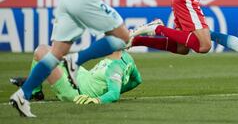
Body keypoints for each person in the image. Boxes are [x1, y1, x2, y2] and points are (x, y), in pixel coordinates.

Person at [10, 45, 141, 104]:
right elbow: (137, 80)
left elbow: (114, 94)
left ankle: (34, 89)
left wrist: (97, 99)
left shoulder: (114, 68)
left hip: (74, 90)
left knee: (41, 52)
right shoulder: (126, 57)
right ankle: (35, 89)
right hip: (81, 75)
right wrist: (113, 85)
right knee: (53, 52)